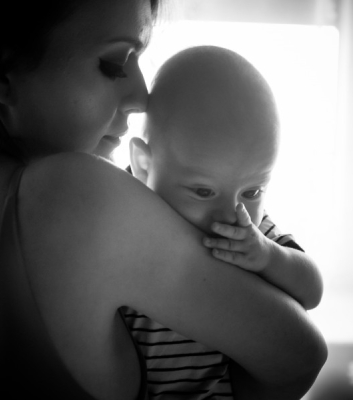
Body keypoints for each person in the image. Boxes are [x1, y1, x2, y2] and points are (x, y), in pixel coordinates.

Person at [0, 1, 327, 399]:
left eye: (252, 191)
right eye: (113, 64)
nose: (143, 96)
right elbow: (301, 356)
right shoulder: (81, 192)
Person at [124, 45, 324, 399]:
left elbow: (312, 292)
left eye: (252, 191)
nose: (231, 213)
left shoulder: (251, 234)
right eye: (204, 191)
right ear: (143, 165)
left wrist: (268, 256)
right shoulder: (121, 212)